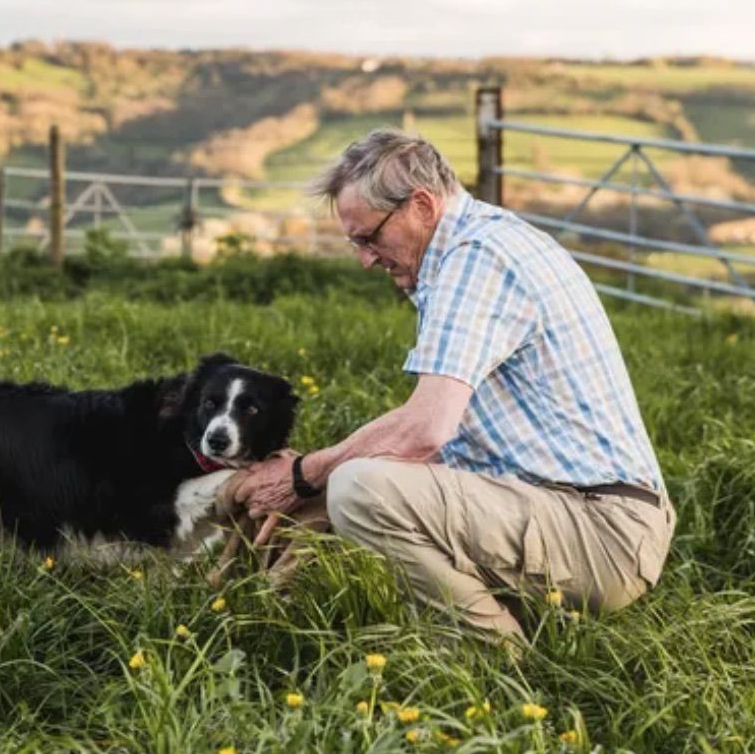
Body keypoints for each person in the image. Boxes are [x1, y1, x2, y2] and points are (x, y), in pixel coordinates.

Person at [231, 128, 676, 642]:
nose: (366, 259)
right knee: (346, 486)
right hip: (574, 511)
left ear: (420, 205)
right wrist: (317, 487)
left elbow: (425, 430)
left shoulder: (476, 259)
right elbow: (443, 443)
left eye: (369, 238)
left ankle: (491, 657)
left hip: (602, 529)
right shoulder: (478, 245)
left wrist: (306, 474)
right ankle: (264, 610)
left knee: (359, 490)